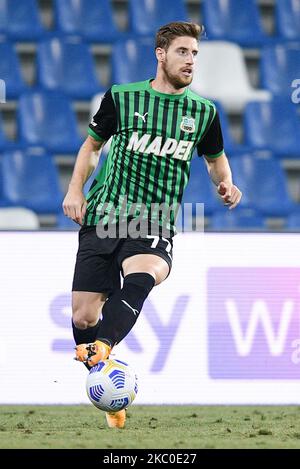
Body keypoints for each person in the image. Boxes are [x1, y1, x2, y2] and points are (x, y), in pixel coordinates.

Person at [62, 21, 242, 428]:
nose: (190, 60)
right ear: (161, 54)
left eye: (195, 54)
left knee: (143, 276)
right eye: (182, 52)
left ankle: (104, 348)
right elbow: (92, 147)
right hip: (105, 215)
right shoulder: (123, 98)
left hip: (154, 219)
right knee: (83, 318)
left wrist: (226, 184)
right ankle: (109, 390)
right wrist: (76, 190)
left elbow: (215, 160)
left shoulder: (203, 111)